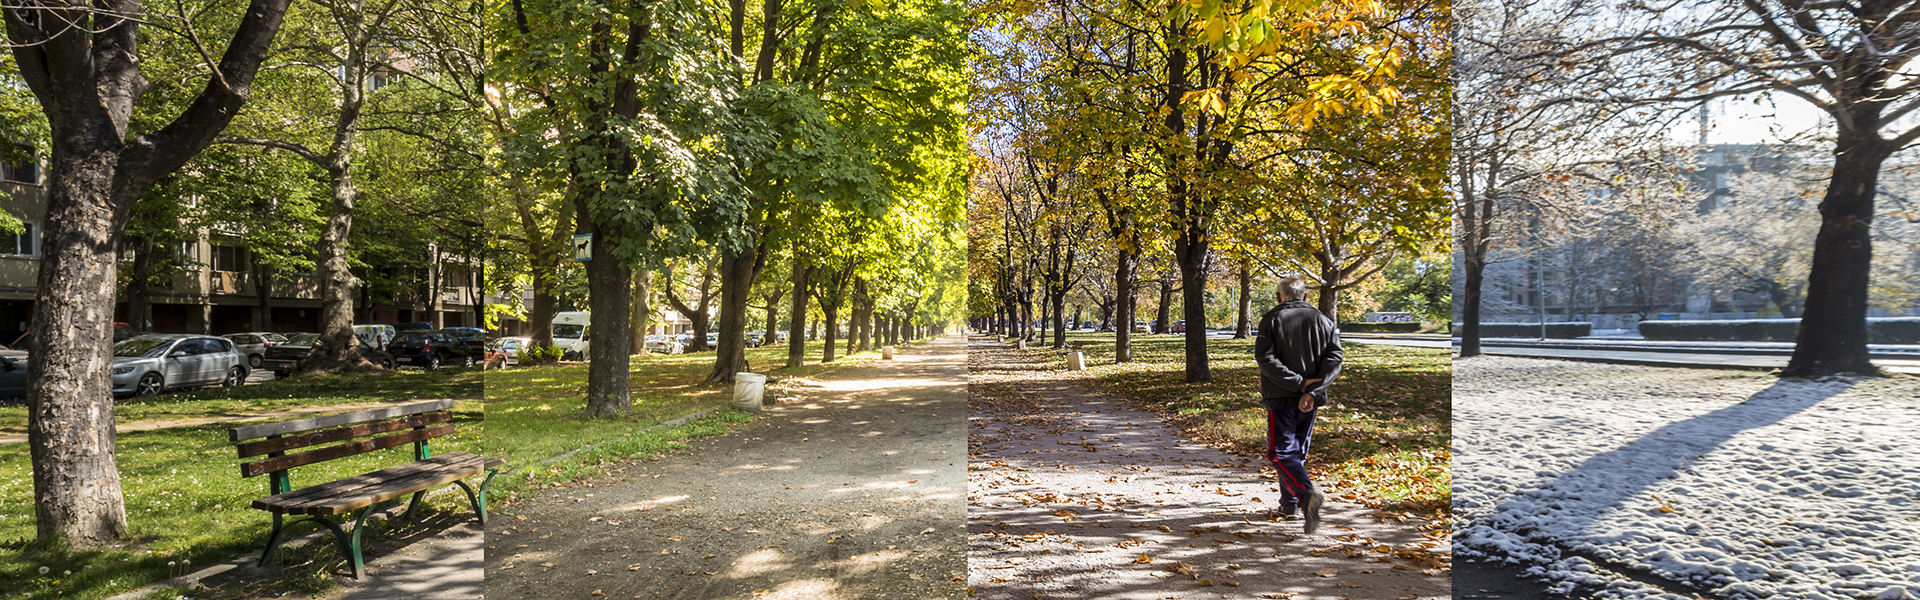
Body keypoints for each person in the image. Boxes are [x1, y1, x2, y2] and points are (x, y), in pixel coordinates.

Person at [1253, 275, 1343, 533]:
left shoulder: (1271, 318)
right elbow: (1335, 357)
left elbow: (1265, 358)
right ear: (1305, 296)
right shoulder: (1324, 320)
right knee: (1297, 454)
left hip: (1281, 396)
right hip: (1310, 399)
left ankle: (1304, 496)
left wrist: (1299, 384)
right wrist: (1313, 389)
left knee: (1280, 454)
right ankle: (1289, 504)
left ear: (1278, 296)